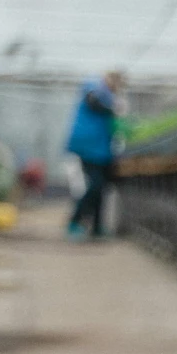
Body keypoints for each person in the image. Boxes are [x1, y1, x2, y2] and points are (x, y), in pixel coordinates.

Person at [64, 70, 124, 240]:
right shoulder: (94, 86)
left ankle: (97, 227)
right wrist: (114, 107)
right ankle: (75, 221)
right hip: (88, 147)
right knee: (96, 185)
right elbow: (94, 102)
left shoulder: (110, 96)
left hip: (102, 150)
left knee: (102, 188)